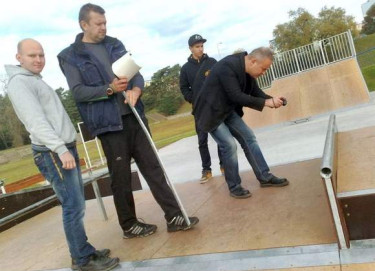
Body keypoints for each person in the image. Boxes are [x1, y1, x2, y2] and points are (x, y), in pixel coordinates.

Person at [57, 3, 199, 239]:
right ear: (84, 25)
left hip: (134, 117)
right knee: (121, 177)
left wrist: (136, 90)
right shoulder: (70, 56)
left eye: (105, 22)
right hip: (109, 126)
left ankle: (174, 216)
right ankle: (129, 225)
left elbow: (137, 74)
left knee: (153, 169)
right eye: (98, 24)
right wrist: (110, 89)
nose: (104, 27)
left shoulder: (115, 44)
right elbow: (79, 92)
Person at [5, 38, 119, 271]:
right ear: (19, 58)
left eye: (41, 55)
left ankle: (82, 251)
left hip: (61, 149)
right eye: (32, 56)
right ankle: (83, 261)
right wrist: (60, 149)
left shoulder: (33, 80)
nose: (38, 60)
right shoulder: (19, 83)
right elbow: (36, 122)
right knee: (73, 206)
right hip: (53, 153)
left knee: (76, 205)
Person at [193, 47, 289, 199]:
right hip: (209, 112)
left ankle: (265, 177)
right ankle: (234, 186)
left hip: (226, 110)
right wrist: (266, 102)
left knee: (249, 137)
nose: (264, 73)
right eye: (263, 69)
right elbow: (237, 96)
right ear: (253, 61)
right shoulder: (227, 66)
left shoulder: (247, 70)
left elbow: (255, 92)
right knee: (229, 145)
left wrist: (272, 99)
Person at [180, 34, 223, 184]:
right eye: (197, 46)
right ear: (191, 48)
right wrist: (193, 99)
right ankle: (207, 170)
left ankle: (224, 165)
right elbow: (184, 88)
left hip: (215, 107)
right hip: (199, 110)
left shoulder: (212, 62)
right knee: (202, 140)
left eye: (201, 46)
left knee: (221, 138)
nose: (200, 49)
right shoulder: (185, 69)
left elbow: (221, 79)